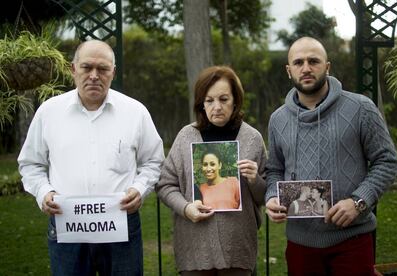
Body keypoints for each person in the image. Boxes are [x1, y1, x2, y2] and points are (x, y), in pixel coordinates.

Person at [17, 40, 164, 275]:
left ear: (113, 73)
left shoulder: (135, 112)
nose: (94, 76)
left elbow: (153, 161)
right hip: (67, 227)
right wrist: (44, 193)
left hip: (121, 225)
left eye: (103, 69)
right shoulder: (49, 112)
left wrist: (140, 188)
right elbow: (30, 164)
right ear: (73, 69)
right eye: (87, 67)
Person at [265, 37, 397, 275]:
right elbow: (274, 169)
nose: (306, 68)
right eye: (298, 62)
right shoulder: (278, 119)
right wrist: (272, 197)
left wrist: (359, 202)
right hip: (300, 243)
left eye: (313, 61)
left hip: (352, 239)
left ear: (327, 67)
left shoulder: (361, 108)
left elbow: (387, 161)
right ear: (289, 70)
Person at [156, 65, 267, 275]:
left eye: (224, 99)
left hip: (238, 249)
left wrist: (255, 180)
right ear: (201, 104)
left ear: (235, 101)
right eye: (209, 100)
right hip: (194, 248)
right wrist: (185, 208)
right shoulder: (186, 137)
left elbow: (265, 196)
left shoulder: (252, 138)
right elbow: (165, 185)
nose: (217, 107)